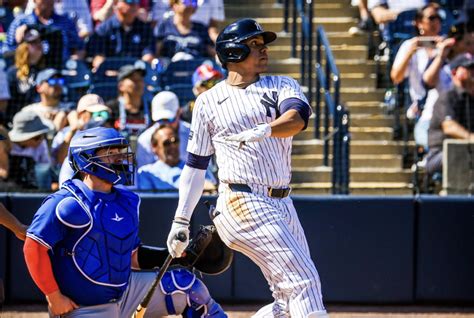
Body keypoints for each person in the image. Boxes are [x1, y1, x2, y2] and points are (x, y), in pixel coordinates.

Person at [166, 18, 328, 317]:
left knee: (287, 301)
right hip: (241, 199)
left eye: (263, 44)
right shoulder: (208, 101)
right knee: (303, 281)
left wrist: (267, 129)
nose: (263, 50)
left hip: (281, 202)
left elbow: (298, 118)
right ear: (232, 51)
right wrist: (180, 220)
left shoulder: (282, 84)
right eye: (254, 45)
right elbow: (195, 166)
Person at [23, 126, 227, 317]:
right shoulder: (66, 203)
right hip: (82, 307)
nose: (120, 158)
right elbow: (33, 247)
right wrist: (53, 296)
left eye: (121, 152)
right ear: (86, 159)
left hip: (126, 293)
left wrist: (177, 257)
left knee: (187, 286)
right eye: (111, 153)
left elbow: (130, 256)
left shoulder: (126, 200)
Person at [426, 53, 474, 175]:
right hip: (439, 154)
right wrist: (471, 138)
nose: (472, 71)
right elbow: (449, 127)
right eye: (468, 68)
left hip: (467, 150)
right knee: (460, 154)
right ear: (454, 72)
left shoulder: (471, 98)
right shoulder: (447, 96)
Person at [137, 124, 216, 191]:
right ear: (154, 147)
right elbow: (148, 203)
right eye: (166, 143)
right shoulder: (146, 173)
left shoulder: (197, 167)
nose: (173, 146)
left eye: (175, 141)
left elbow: (212, 191)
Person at [6, 0, 85, 62]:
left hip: (60, 71)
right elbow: (7, 50)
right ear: (34, 0)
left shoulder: (66, 22)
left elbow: (79, 48)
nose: (47, 1)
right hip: (29, 72)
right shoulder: (21, 22)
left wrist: (74, 61)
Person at [89, 0, 155, 71]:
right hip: (110, 75)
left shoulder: (145, 29)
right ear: (116, 3)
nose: (134, 5)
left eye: (136, 1)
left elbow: (148, 57)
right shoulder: (104, 29)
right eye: (128, 1)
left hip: (136, 75)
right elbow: (98, 59)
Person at [136, 90, 190, 168]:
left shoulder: (194, 134)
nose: (165, 124)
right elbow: (143, 173)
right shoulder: (144, 139)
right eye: (160, 120)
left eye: (169, 119)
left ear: (179, 112)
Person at [0, 110, 52, 190]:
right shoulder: (5, 146)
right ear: (25, 138)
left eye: (43, 136)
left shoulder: (42, 145)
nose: (41, 140)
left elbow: (45, 171)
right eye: (36, 137)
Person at [5, 27, 43, 126]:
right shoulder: (12, 73)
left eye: (40, 41)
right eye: (34, 42)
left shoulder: (42, 70)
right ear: (24, 46)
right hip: (17, 121)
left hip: (39, 118)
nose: (39, 44)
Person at [107, 63, 152, 137]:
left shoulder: (151, 109)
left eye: (140, 79)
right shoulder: (111, 108)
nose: (138, 83)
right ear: (121, 86)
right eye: (134, 79)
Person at [21, 68, 69, 132]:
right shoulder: (29, 111)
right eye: (52, 81)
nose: (57, 84)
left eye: (60, 81)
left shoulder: (70, 109)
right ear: (39, 88)